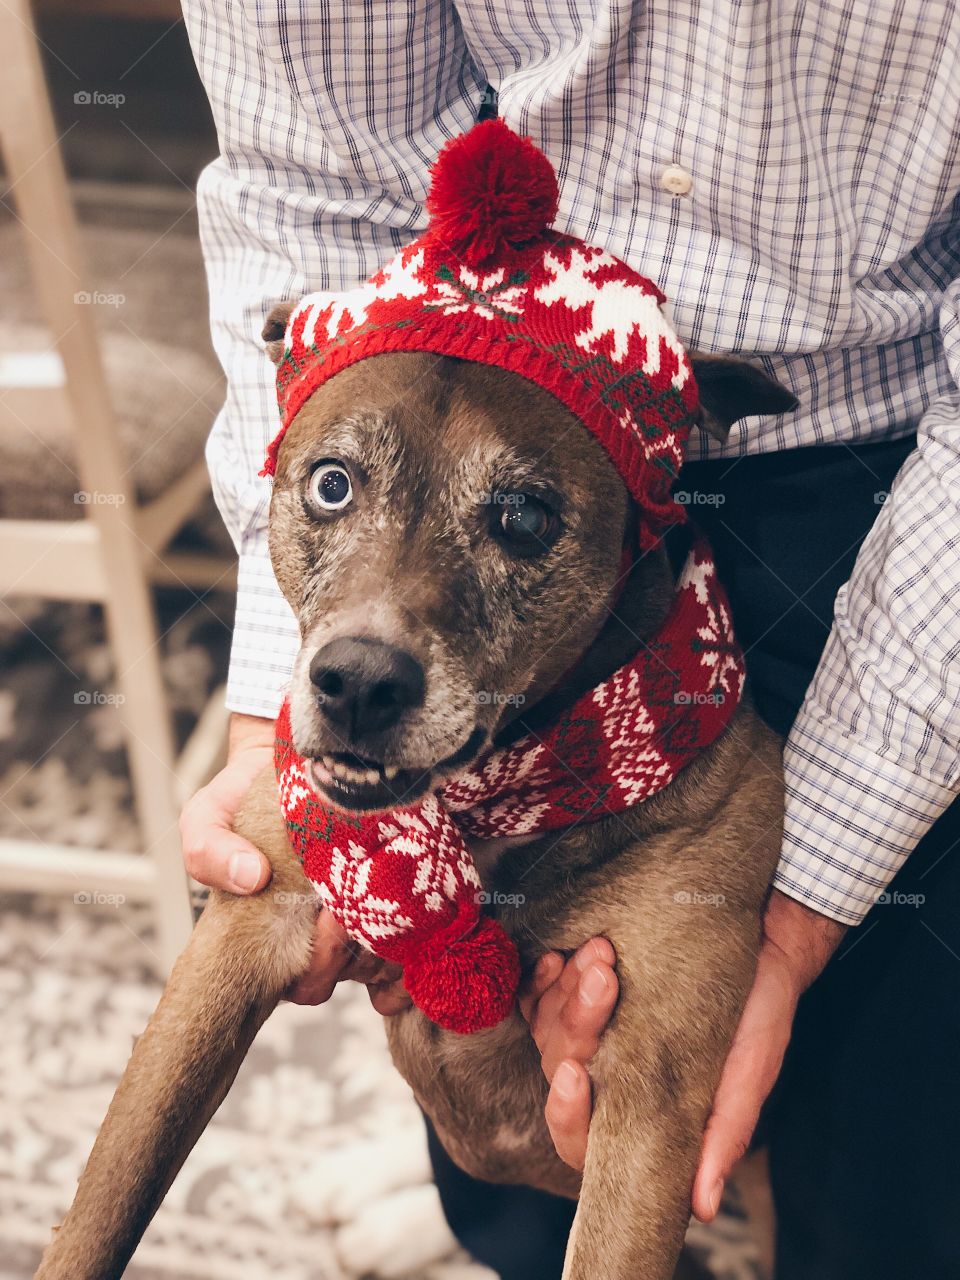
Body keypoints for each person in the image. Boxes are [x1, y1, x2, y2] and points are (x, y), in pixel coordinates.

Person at [177, 4, 960, 1277]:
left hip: (898, 480)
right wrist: (301, 669)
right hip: (465, 447)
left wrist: (795, 910)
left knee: (891, 1160)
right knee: (504, 1089)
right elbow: (315, 185)